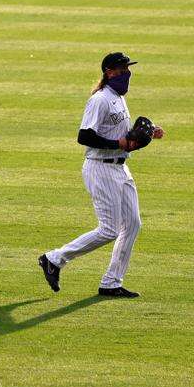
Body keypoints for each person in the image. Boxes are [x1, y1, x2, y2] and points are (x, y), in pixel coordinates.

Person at [38, 52, 164, 298]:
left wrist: (148, 131)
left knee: (133, 224)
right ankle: (53, 259)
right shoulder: (100, 99)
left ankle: (111, 282)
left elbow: (120, 131)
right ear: (109, 72)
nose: (126, 73)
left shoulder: (118, 97)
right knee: (109, 229)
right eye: (121, 69)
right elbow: (84, 136)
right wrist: (118, 142)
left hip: (120, 168)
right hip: (100, 167)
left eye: (127, 69)